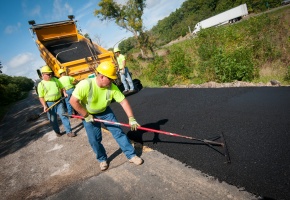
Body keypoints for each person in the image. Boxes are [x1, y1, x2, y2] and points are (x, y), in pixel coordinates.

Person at [70, 61, 143, 171]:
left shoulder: (112, 87)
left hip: (105, 112)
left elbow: (123, 102)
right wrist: (86, 115)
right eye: (111, 79)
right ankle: (102, 159)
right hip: (89, 114)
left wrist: (131, 118)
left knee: (118, 133)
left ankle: (131, 155)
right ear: (102, 76)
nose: (113, 81)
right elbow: (73, 101)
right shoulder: (86, 84)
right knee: (94, 140)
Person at [37, 65, 76, 137]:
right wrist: (44, 106)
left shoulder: (55, 80)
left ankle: (69, 132)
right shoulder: (41, 84)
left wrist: (64, 93)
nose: (50, 75)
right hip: (49, 104)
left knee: (63, 116)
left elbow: (62, 87)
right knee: (53, 119)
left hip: (59, 101)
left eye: (50, 74)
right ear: (43, 75)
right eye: (48, 74)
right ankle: (57, 131)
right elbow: (41, 97)